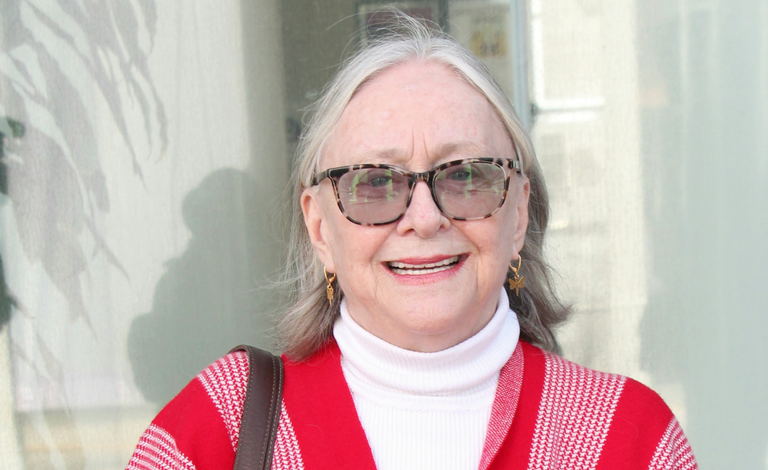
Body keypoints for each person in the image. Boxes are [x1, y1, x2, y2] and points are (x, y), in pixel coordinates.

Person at [126, 17, 697, 470]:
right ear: (320, 228)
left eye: (466, 175)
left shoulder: (631, 440)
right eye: (374, 183)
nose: (424, 219)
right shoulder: (218, 428)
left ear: (519, 213)